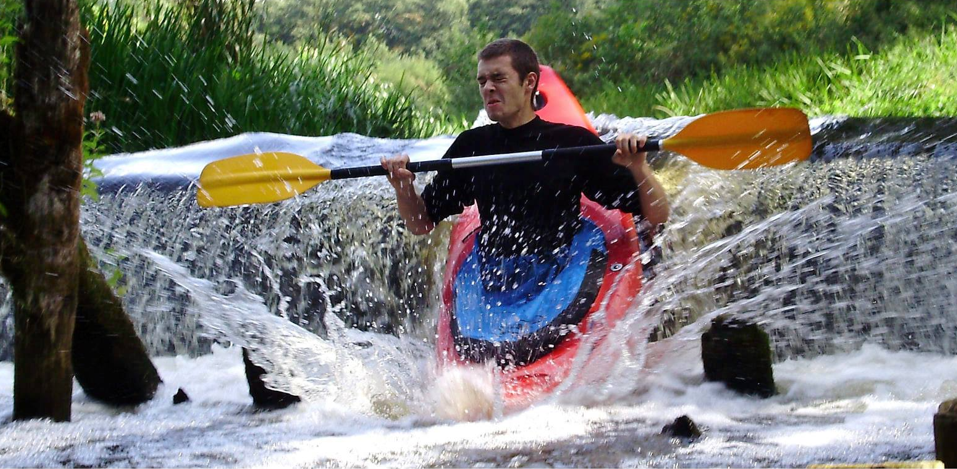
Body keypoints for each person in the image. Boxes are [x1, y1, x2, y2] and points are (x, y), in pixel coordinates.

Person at [381, 38, 669, 259]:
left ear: (529, 82)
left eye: (498, 78)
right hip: (496, 273)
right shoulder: (471, 146)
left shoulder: (571, 143)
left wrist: (639, 166)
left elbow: (657, 215)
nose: (487, 88)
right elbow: (421, 224)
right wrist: (403, 187)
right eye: (482, 81)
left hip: (561, 266)